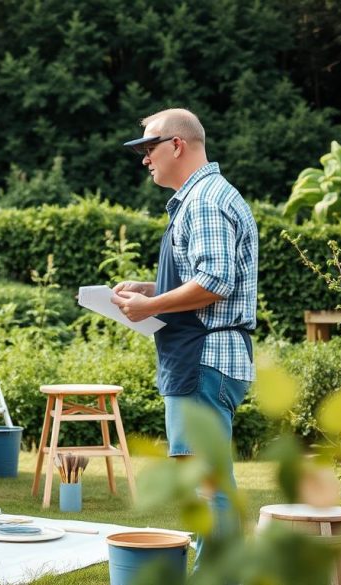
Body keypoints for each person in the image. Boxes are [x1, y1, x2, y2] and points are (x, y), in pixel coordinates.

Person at [111, 108, 258, 566]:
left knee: (207, 486)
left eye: (147, 147)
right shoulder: (206, 197)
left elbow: (215, 281)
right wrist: (149, 289)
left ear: (177, 144)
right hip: (206, 359)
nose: (143, 159)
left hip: (203, 360)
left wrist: (150, 307)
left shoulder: (205, 201)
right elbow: (207, 278)